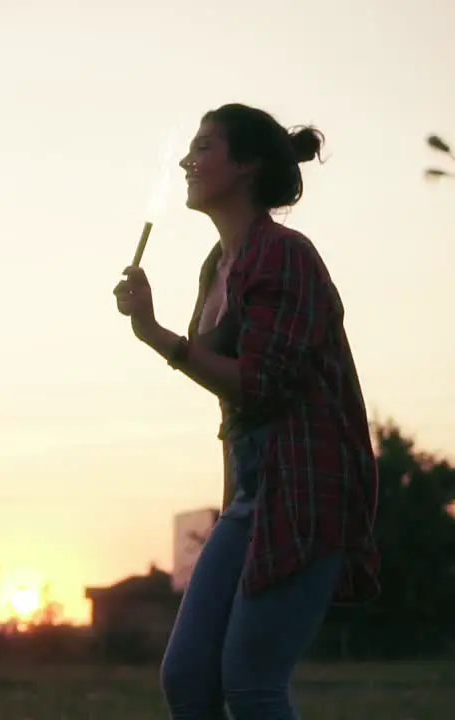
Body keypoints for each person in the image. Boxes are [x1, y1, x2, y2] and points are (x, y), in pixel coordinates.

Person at [112, 104, 379, 719]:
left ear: (247, 166)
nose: (186, 161)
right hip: (253, 495)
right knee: (187, 677)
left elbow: (259, 386)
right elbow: (229, 398)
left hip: (307, 490)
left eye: (205, 148)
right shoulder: (218, 267)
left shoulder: (283, 255)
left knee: (252, 682)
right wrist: (153, 325)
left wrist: (157, 335)